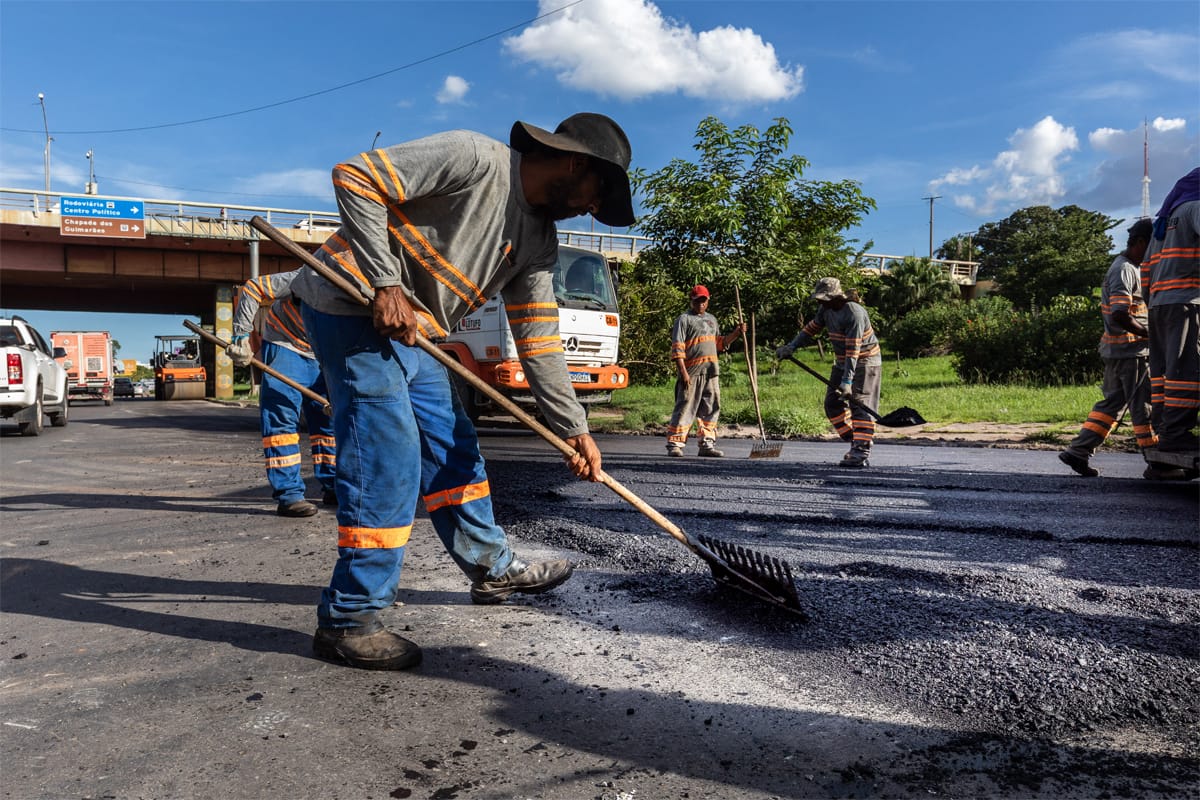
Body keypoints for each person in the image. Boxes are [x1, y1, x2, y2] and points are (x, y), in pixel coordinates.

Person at [289, 112, 634, 670]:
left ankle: (491, 569)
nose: (592, 210)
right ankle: (349, 619)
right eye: (599, 193)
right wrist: (385, 282)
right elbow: (354, 176)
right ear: (576, 163)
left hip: (416, 327)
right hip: (350, 304)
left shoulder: (539, 241)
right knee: (388, 456)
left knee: (454, 445)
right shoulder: (475, 157)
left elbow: (539, 340)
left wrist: (573, 428)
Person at [228, 270, 337, 517]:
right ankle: (289, 495)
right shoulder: (308, 275)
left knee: (328, 420)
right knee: (281, 418)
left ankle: (333, 485)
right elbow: (254, 287)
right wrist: (241, 335)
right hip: (285, 344)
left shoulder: (364, 288)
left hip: (324, 352)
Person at [1058, 219, 1157, 477]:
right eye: (1154, 245)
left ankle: (1078, 452)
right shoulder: (1125, 270)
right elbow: (1120, 315)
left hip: (1119, 351)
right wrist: (1151, 335)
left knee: (1110, 405)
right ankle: (1158, 463)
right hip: (1131, 351)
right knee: (1143, 407)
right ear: (1141, 242)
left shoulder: (1129, 268)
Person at [776, 277, 881, 468]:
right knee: (832, 404)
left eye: (823, 298)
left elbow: (853, 350)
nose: (819, 301)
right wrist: (791, 346)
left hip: (865, 362)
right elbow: (811, 329)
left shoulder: (853, 313)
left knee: (859, 406)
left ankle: (861, 452)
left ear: (834, 297)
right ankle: (855, 440)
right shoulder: (826, 309)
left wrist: (847, 382)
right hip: (843, 361)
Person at [1142, 168, 1200, 455]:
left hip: (1159, 304)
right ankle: (1177, 433)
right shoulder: (1196, 208)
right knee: (1186, 371)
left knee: (1164, 373)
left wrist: (1150, 300)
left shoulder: (1162, 223)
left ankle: (1166, 430)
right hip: (1187, 300)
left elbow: (1145, 269)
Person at [664, 285, 743, 457]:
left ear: (708, 301)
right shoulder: (684, 319)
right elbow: (677, 349)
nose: (700, 303)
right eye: (697, 300)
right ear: (691, 301)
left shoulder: (712, 320)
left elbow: (720, 344)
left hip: (711, 372)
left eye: (703, 300)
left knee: (711, 408)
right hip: (692, 372)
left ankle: (706, 444)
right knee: (685, 407)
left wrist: (737, 333)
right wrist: (683, 373)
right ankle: (675, 444)